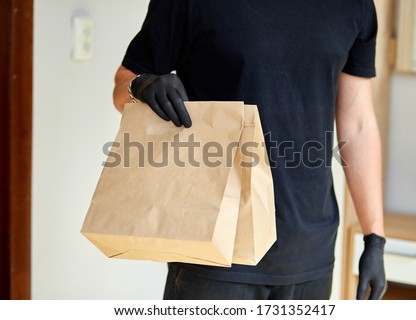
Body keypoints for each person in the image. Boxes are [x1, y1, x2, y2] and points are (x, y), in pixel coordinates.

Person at [113, 0, 387, 300]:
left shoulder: (354, 6)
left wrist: (375, 237)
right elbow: (124, 84)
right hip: (215, 244)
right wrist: (141, 87)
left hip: (311, 250)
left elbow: (358, 122)